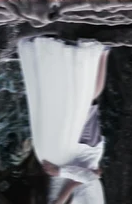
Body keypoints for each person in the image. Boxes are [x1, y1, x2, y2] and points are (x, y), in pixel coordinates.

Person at [18, 38, 109, 204]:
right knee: (86, 100)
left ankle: (71, 53)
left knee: (70, 98)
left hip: (61, 152)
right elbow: (91, 177)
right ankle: (102, 53)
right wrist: (60, 174)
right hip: (84, 152)